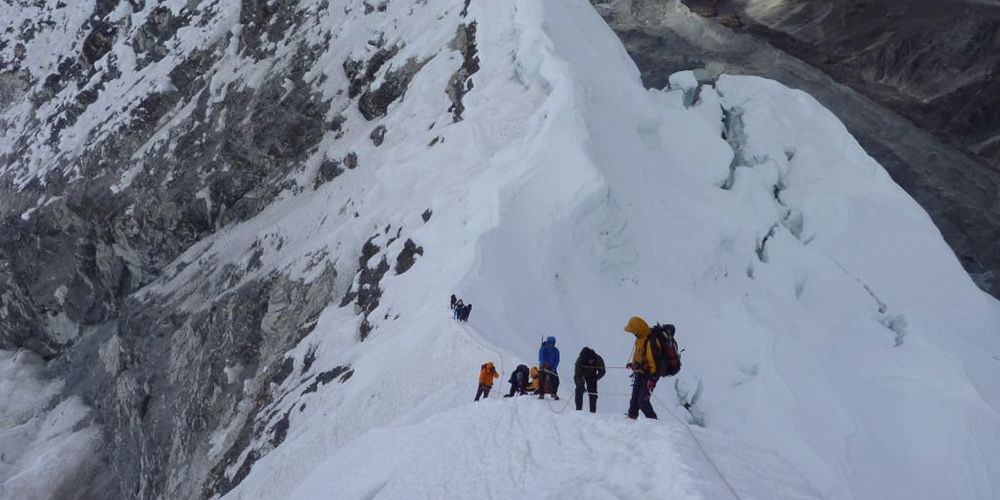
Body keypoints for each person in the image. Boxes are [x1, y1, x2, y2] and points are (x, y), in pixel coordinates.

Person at [624, 316, 657, 419]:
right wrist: (633, 364)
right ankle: (631, 418)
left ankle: (655, 423)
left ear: (638, 330)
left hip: (648, 376)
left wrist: (652, 379)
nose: (633, 333)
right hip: (639, 373)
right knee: (634, 400)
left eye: (633, 331)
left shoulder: (650, 341)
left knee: (642, 402)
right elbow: (639, 356)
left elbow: (653, 363)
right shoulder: (640, 339)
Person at [573, 347, 606, 413]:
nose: (591, 361)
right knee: (579, 390)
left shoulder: (598, 359)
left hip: (592, 376)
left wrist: (595, 378)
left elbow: (602, 371)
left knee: (593, 393)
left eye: (592, 360)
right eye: (590, 360)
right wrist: (580, 385)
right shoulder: (579, 361)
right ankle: (578, 411)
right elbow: (577, 376)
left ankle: (592, 412)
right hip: (581, 376)